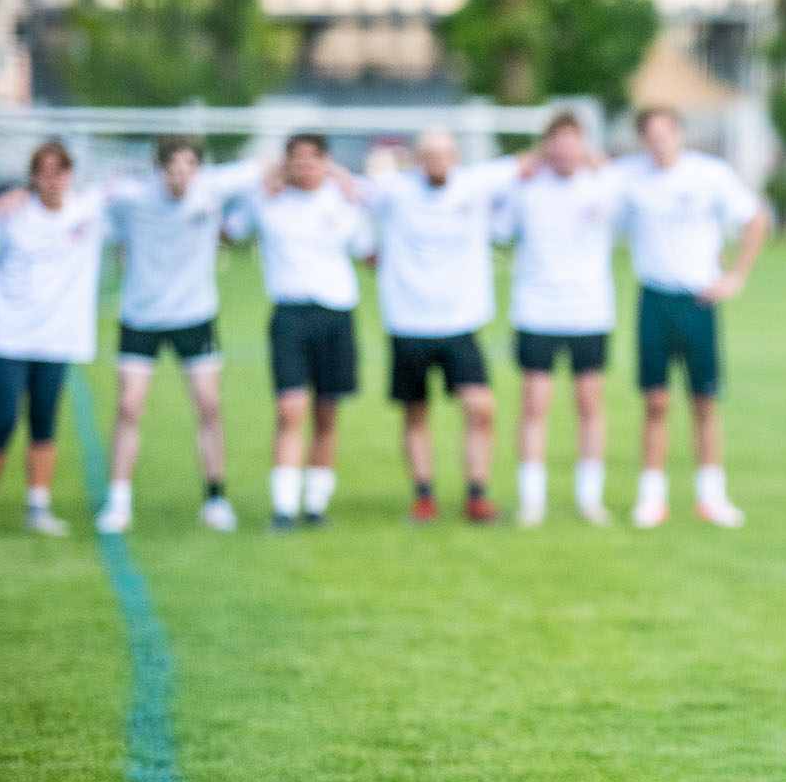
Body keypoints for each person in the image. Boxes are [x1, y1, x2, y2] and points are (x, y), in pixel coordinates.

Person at [92, 136, 267, 533]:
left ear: (198, 169)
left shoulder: (213, 189)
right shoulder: (132, 197)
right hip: (141, 317)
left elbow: (266, 169)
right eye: (172, 169)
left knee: (209, 405)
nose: (181, 177)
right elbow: (83, 201)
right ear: (159, 170)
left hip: (195, 316)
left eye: (189, 167)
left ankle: (216, 499)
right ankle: (118, 502)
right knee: (129, 407)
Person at [612, 106, 767, 529]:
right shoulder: (628, 177)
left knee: (704, 401)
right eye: (651, 136)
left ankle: (711, 496)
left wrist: (735, 276)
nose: (659, 143)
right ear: (642, 141)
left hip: (698, 301)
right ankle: (651, 497)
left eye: (666, 134)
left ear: (680, 134)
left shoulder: (709, 175)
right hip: (654, 299)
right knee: (656, 401)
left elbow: (755, 219)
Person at [358, 128, 520, 525]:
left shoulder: (475, 186)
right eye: (429, 155)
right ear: (417, 160)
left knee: (480, 406)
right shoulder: (394, 192)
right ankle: (424, 496)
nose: (437, 162)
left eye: (444, 154)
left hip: (461, 323)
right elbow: (341, 189)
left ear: (456, 157)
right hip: (408, 323)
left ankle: (477, 495)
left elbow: (531, 161)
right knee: (416, 412)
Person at [0, 139, 106, 538]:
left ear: (70, 175)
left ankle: (38, 507)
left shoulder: (88, 210)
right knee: (4, 419)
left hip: (56, 339)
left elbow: (134, 188)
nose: (53, 180)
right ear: (33, 177)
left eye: (59, 172)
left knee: (44, 421)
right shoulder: (9, 213)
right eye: (44, 173)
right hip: (8, 336)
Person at [235, 133, 371, 529]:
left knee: (327, 413)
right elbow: (230, 230)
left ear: (326, 162)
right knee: (289, 409)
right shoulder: (268, 201)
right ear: (287, 162)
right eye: (298, 158)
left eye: (314, 158)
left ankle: (315, 504)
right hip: (290, 315)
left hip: (336, 314)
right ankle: (283, 507)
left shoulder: (343, 201)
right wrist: (259, 187)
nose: (306, 165)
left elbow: (368, 251)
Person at [505, 110, 621, 526]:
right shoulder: (526, 188)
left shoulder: (604, 184)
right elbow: (498, 225)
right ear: (547, 145)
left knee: (589, 402)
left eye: (574, 139)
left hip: (589, 311)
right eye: (558, 139)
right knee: (535, 402)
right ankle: (531, 500)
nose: (566, 147)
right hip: (537, 310)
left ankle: (590, 498)